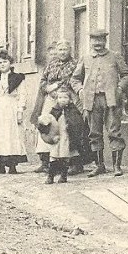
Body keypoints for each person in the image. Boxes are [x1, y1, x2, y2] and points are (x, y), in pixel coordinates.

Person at [70, 28, 128, 177]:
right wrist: (80, 90)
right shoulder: (85, 58)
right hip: (91, 100)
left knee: (114, 131)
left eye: (100, 40)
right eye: (94, 40)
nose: (97, 43)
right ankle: (99, 165)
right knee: (94, 133)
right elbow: (74, 79)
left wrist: (119, 89)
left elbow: (126, 75)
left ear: (105, 41)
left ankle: (117, 166)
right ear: (90, 41)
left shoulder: (114, 56)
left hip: (111, 99)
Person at [31, 40, 78, 174]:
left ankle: (72, 162)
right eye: (60, 50)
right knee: (46, 126)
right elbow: (43, 81)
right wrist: (49, 89)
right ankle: (46, 161)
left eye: (65, 49)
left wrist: (61, 90)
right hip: (51, 99)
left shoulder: (75, 64)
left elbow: (74, 80)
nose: (62, 52)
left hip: (68, 99)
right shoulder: (51, 64)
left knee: (67, 129)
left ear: (70, 50)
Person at [0, 50, 28, 174]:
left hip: (12, 108)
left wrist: (20, 111)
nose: (2, 64)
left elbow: (23, 95)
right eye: (0, 62)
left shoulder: (18, 77)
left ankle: (12, 165)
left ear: (10, 63)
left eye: (5, 62)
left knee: (11, 134)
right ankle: (1, 165)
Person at [36, 86, 88, 184]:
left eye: (65, 98)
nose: (62, 100)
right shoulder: (54, 110)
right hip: (57, 138)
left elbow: (78, 122)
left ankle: (63, 176)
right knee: (54, 156)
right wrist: (50, 135)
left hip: (67, 138)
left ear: (70, 99)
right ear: (57, 99)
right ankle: (50, 176)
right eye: (60, 98)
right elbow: (47, 123)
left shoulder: (73, 110)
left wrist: (72, 128)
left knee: (65, 157)